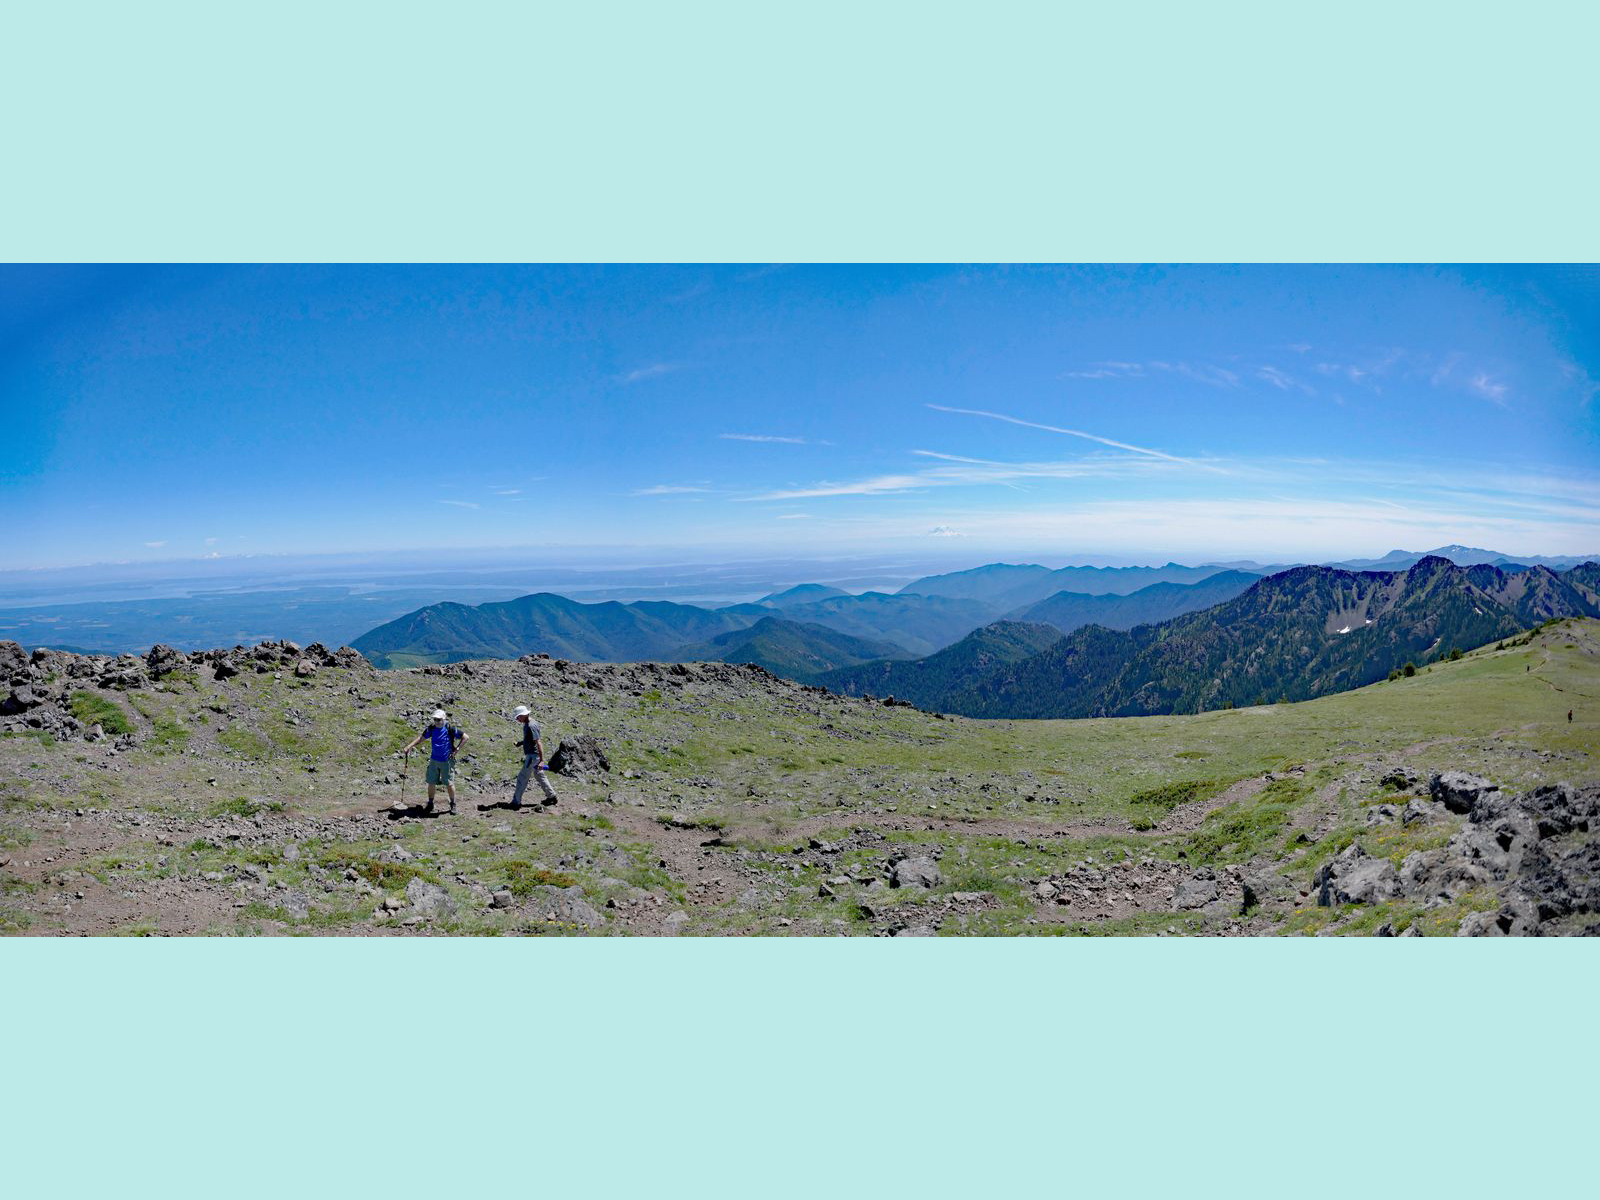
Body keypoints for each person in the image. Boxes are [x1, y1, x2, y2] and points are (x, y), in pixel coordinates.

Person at [400, 709, 466, 814]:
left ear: (443, 719)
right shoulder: (431, 729)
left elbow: (465, 737)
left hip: (447, 761)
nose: (436, 722)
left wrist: (457, 750)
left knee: (449, 783)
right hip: (434, 760)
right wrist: (409, 746)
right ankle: (430, 803)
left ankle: (453, 804)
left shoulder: (450, 729)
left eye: (439, 719)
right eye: (435, 719)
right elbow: (421, 738)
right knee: (431, 782)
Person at [510, 704, 559, 810]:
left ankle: (516, 802)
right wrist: (521, 743)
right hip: (534, 756)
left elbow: (539, 742)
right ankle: (552, 796)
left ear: (524, 715)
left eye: (518, 717)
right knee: (539, 776)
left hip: (533, 757)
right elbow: (530, 740)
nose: (517, 719)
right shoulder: (528, 724)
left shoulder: (531, 725)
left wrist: (541, 760)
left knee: (522, 777)